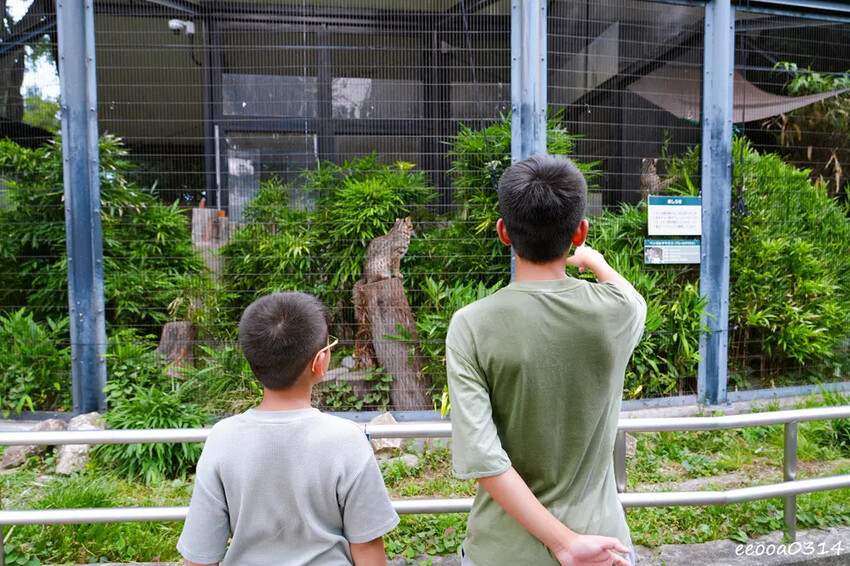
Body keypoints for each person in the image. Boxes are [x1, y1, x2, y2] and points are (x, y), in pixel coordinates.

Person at [447, 154, 646, 566]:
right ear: (580, 232)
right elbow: (631, 297)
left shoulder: (470, 326)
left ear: (504, 232)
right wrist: (595, 261)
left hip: (502, 552)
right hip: (604, 546)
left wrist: (561, 542)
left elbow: (485, 459)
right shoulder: (617, 313)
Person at [177, 292, 400, 566]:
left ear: (252, 361)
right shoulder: (347, 440)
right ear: (320, 362)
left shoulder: (222, 439)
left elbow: (200, 557)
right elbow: (367, 550)